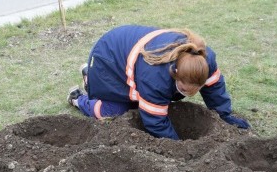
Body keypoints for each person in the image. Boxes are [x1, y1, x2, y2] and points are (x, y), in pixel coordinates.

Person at [67, 25, 251, 139]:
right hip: (110, 57)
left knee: (141, 102)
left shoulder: (203, 59)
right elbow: (155, 121)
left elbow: (215, 89)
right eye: (185, 90)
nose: (190, 95)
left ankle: (89, 75)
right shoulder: (155, 77)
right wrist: (178, 145)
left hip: (131, 56)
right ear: (175, 73)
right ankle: (79, 97)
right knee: (116, 111)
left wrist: (224, 116)